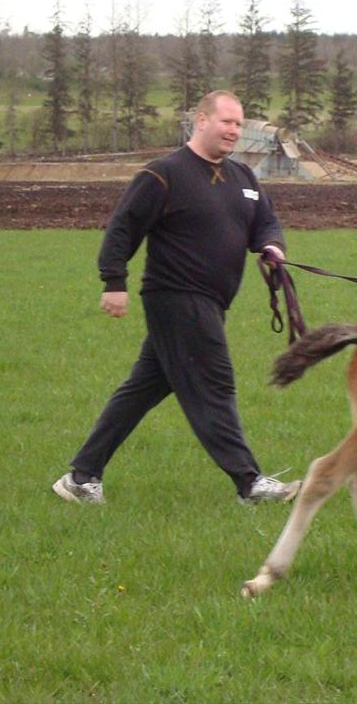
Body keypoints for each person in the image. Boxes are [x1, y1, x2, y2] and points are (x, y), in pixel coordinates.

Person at [53, 91, 301, 506]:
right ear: (201, 121)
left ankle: (81, 477)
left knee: (143, 388)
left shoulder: (244, 179)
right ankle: (249, 482)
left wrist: (272, 247)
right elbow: (122, 228)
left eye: (239, 124)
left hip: (211, 302)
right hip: (176, 296)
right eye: (226, 122)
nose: (234, 131)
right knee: (214, 383)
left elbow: (265, 222)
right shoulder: (164, 174)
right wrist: (114, 281)